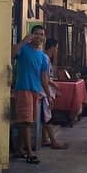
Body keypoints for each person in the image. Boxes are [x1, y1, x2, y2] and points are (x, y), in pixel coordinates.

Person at [12, 25, 50, 164]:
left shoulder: (42, 56)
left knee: (26, 121)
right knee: (26, 122)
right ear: (31, 35)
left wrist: (48, 95)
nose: (39, 37)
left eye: (42, 34)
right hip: (23, 88)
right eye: (37, 34)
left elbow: (44, 77)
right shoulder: (24, 49)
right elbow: (11, 53)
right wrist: (23, 41)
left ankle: (19, 149)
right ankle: (29, 153)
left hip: (35, 91)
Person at [40, 38, 68, 150]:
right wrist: (51, 88)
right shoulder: (45, 59)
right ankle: (53, 141)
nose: (57, 50)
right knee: (47, 117)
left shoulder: (46, 58)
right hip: (44, 91)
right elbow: (44, 77)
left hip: (45, 90)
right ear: (52, 47)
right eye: (56, 47)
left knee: (45, 116)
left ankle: (44, 139)